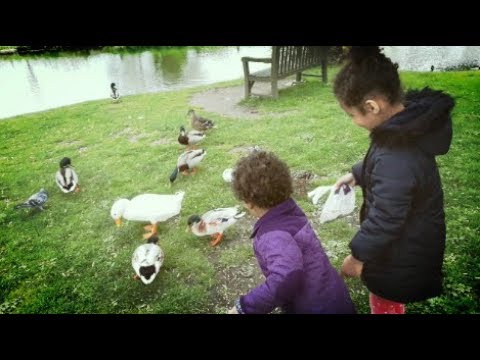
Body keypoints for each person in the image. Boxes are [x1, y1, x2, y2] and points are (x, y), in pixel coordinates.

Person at [333, 46, 455, 314]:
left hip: (400, 253)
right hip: (408, 240)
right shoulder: (404, 127)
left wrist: (357, 257)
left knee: (385, 299)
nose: (353, 121)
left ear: (372, 106)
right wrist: (357, 174)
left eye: (352, 114)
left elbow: (386, 218)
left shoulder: (396, 152)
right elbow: (383, 168)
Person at [228, 151, 356, 314]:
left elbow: (286, 276)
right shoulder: (290, 210)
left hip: (313, 308)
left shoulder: (272, 236)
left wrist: (245, 307)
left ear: (249, 203)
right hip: (332, 295)